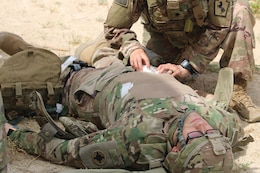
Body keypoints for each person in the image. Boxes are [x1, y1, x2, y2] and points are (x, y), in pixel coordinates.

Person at [1, 32, 248, 172]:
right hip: (140, 69)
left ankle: (27, 50)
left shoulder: (138, 139)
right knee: (102, 46)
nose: (200, 124)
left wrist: (15, 135)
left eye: (196, 135)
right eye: (210, 133)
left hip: (88, 83)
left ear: (175, 150)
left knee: (43, 65)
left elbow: (68, 151)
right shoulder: (223, 125)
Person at [75, 0, 259, 123]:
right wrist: (133, 48)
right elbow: (114, 27)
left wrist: (188, 66)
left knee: (241, 12)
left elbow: (219, 27)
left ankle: (236, 88)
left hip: (204, 36)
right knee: (141, 72)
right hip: (164, 39)